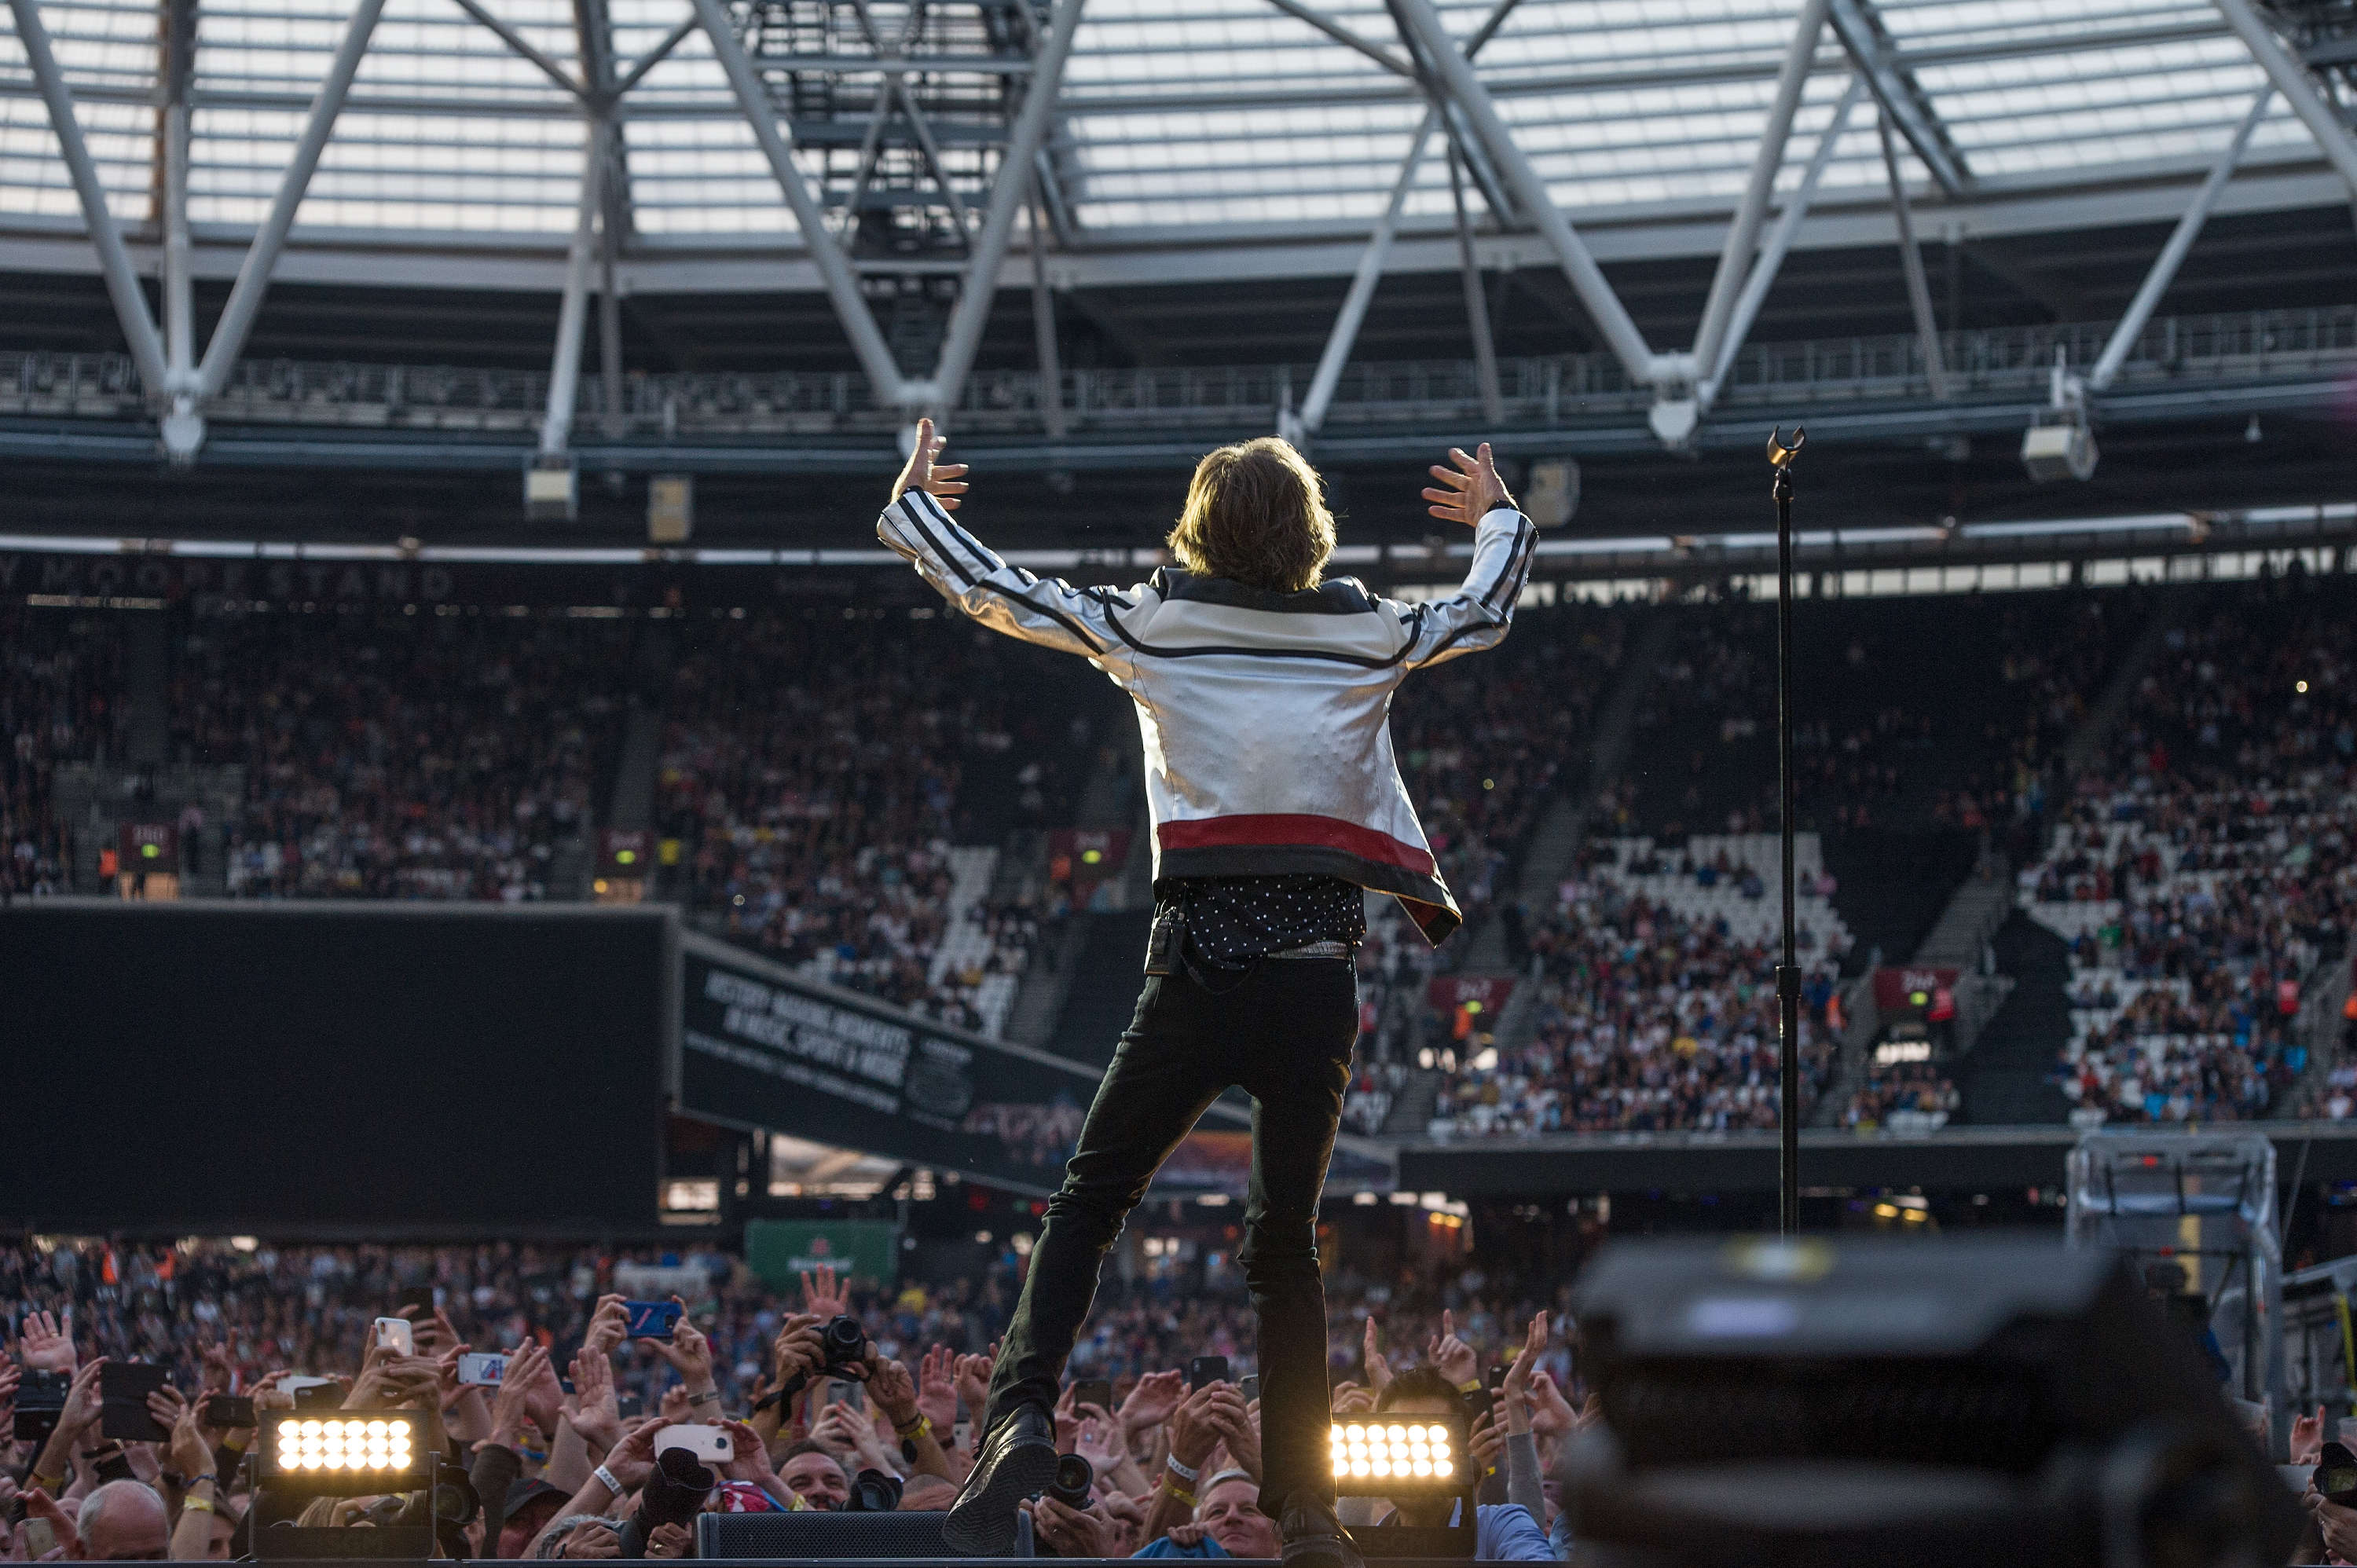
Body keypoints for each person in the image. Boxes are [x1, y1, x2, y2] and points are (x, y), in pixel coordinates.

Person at [879, 420, 1534, 1566]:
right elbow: (1482, 612)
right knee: (1287, 1249)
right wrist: (1500, 516)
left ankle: (1020, 1413)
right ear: (1309, 537)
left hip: (1192, 977)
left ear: (1197, 529)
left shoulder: (1151, 621)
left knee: (1089, 1202)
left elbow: (994, 590)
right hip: (1313, 991)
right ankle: (1307, 1509)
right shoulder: (1369, 632)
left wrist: (914, 504)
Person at [1367, 1368, 1552, 1562]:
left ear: (1463, 1452)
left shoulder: (1501, 1527)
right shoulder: (1362, 1546)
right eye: (1398, 1440)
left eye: (1432, 1441)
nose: (1415, 1456)